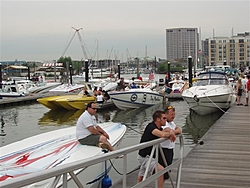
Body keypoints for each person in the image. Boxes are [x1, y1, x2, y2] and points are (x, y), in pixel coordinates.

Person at [137, 111, 175, 188]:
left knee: (141, 178)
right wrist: (170, 134)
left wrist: (171, 131)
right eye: (164, 118)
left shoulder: (159, 128)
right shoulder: (151, 127)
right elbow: (162, 134)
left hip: (150, 156)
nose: (166, 120)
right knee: (161, 171)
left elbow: (166, 130)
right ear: (158, 119)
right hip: (145, 157)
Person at [159, 105, 182, 180]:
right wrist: (172, 132)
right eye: (172, 114)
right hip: (163, 150)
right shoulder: (164, 123)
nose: (173, 116)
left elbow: (179, 130)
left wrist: (173, 132)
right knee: (162, 173)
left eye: (174, 114)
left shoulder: (172, 123)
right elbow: (167, 130)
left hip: (170, 150)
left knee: (167, 172)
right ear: (166, 114)